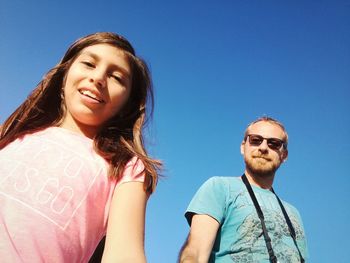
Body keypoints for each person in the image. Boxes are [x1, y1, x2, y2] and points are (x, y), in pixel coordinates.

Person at [0, 32, 161, 263]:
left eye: (116, 77)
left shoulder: (127, 167)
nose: (98, 78)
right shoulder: (12, 135)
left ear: (128, 104)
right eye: (88, 64)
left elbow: (124, 253)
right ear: (65, 74)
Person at [178, 117, 308, 263]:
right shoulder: (220, 187)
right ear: (243, 146)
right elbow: (195, 251)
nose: (263, 147)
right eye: (255, 140)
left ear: (284, 155)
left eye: (274, 143)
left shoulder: (294, 213)